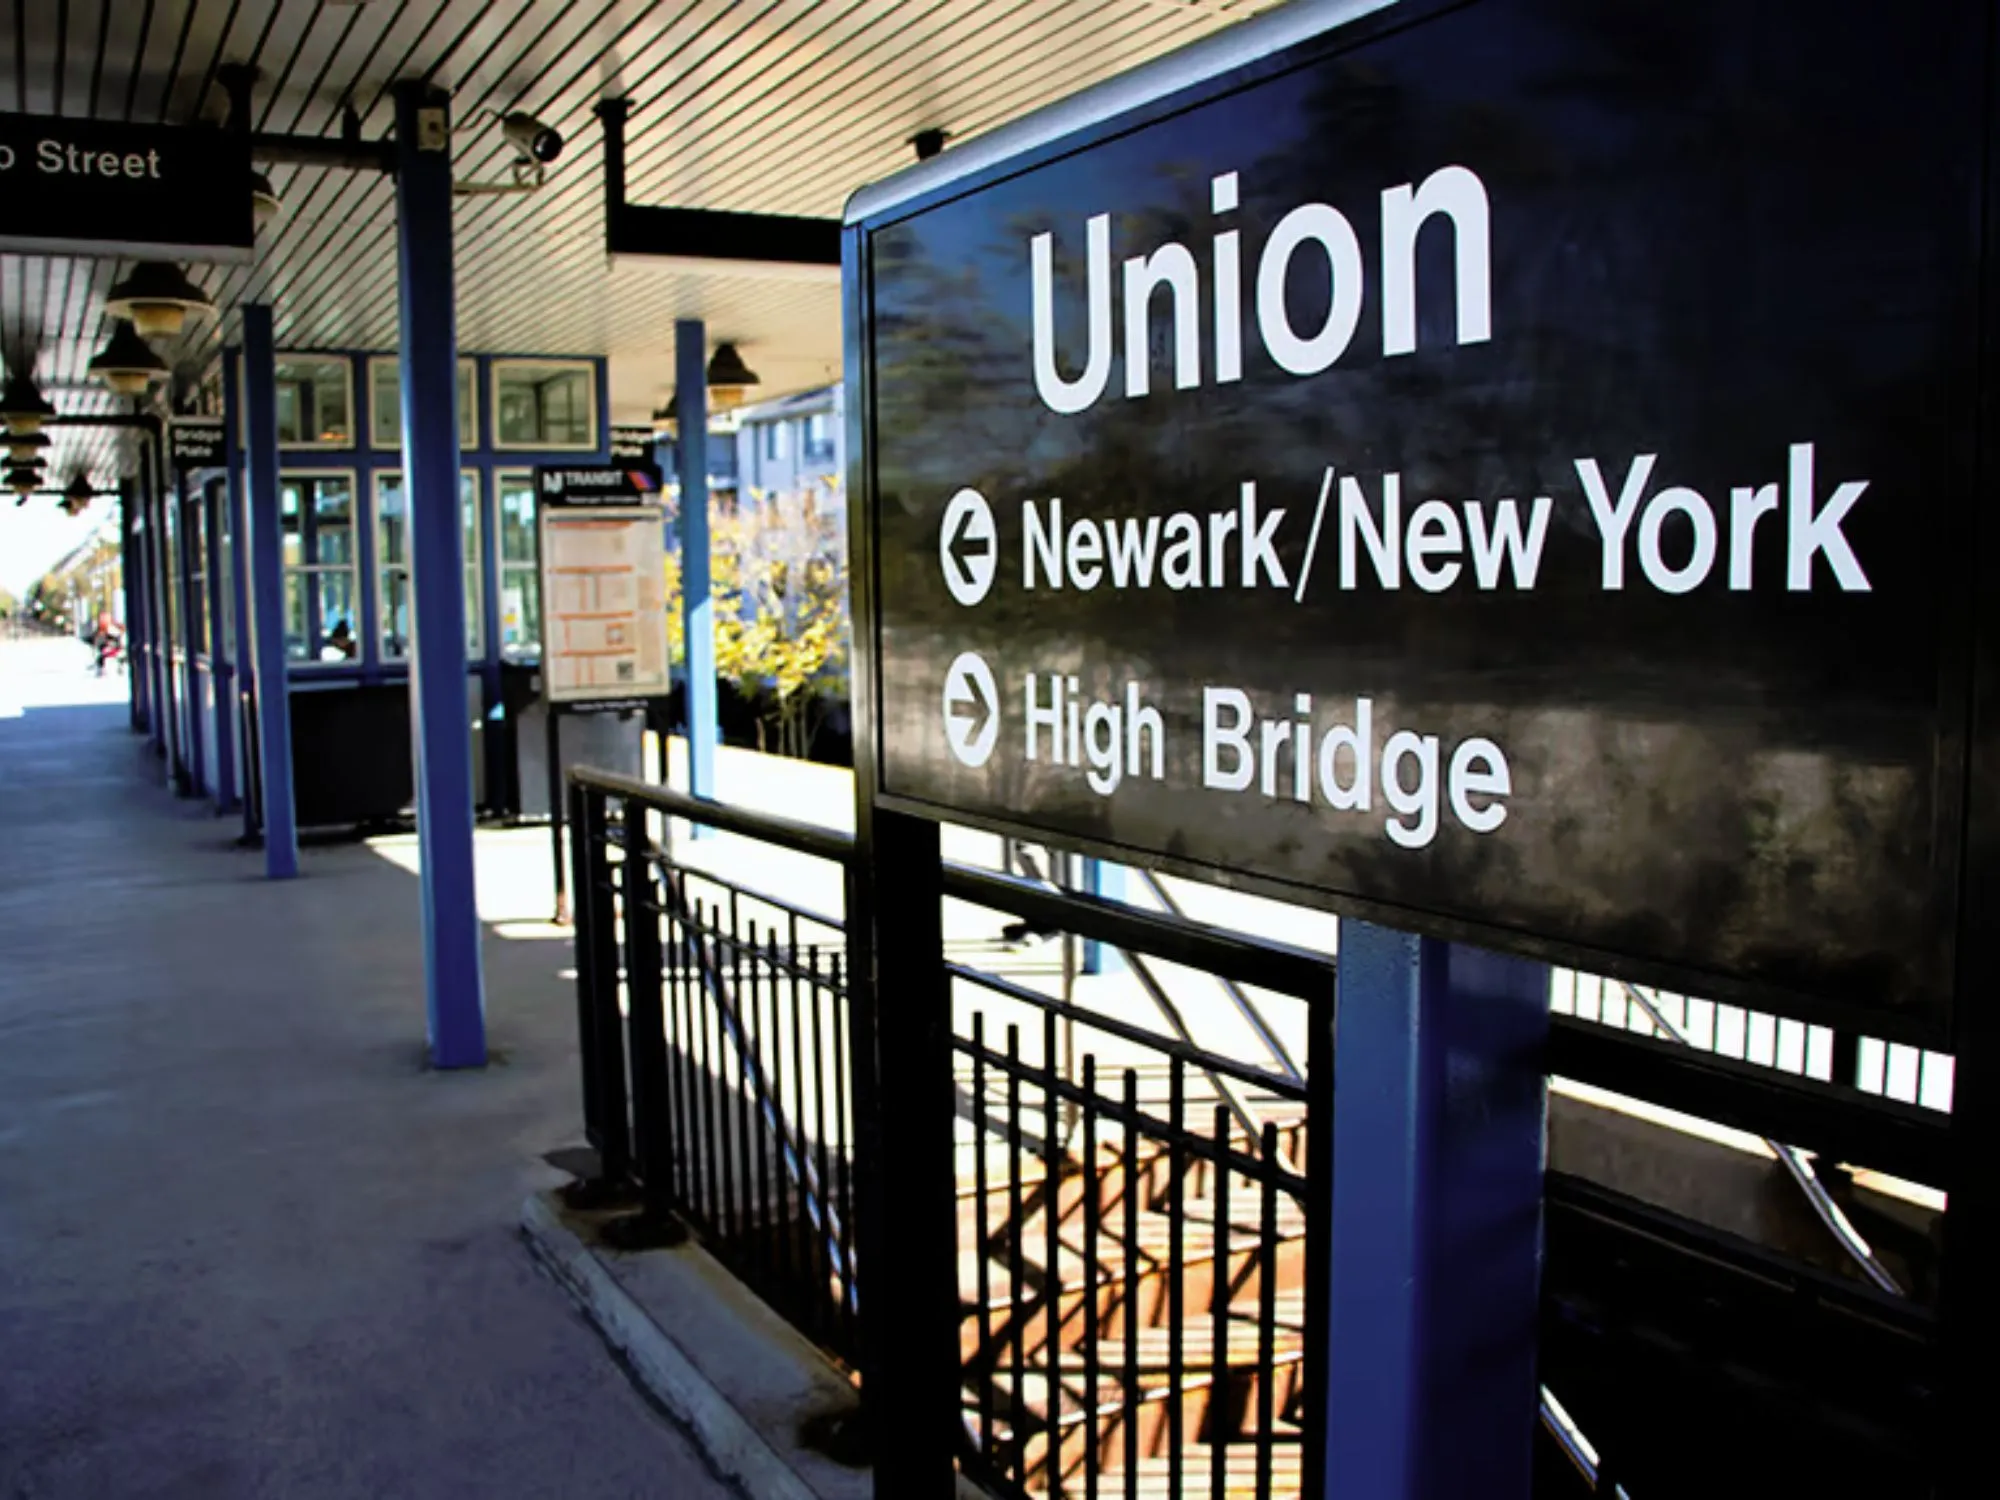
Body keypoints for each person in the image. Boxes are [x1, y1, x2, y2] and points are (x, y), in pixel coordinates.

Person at [92, 611, 122, 676]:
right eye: (101, 619)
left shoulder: (113, 630)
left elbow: (117, 644)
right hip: (104, 655)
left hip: (112, 654)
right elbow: (97, 645)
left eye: (105, 619)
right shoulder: (98, 632)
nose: (103, 621)